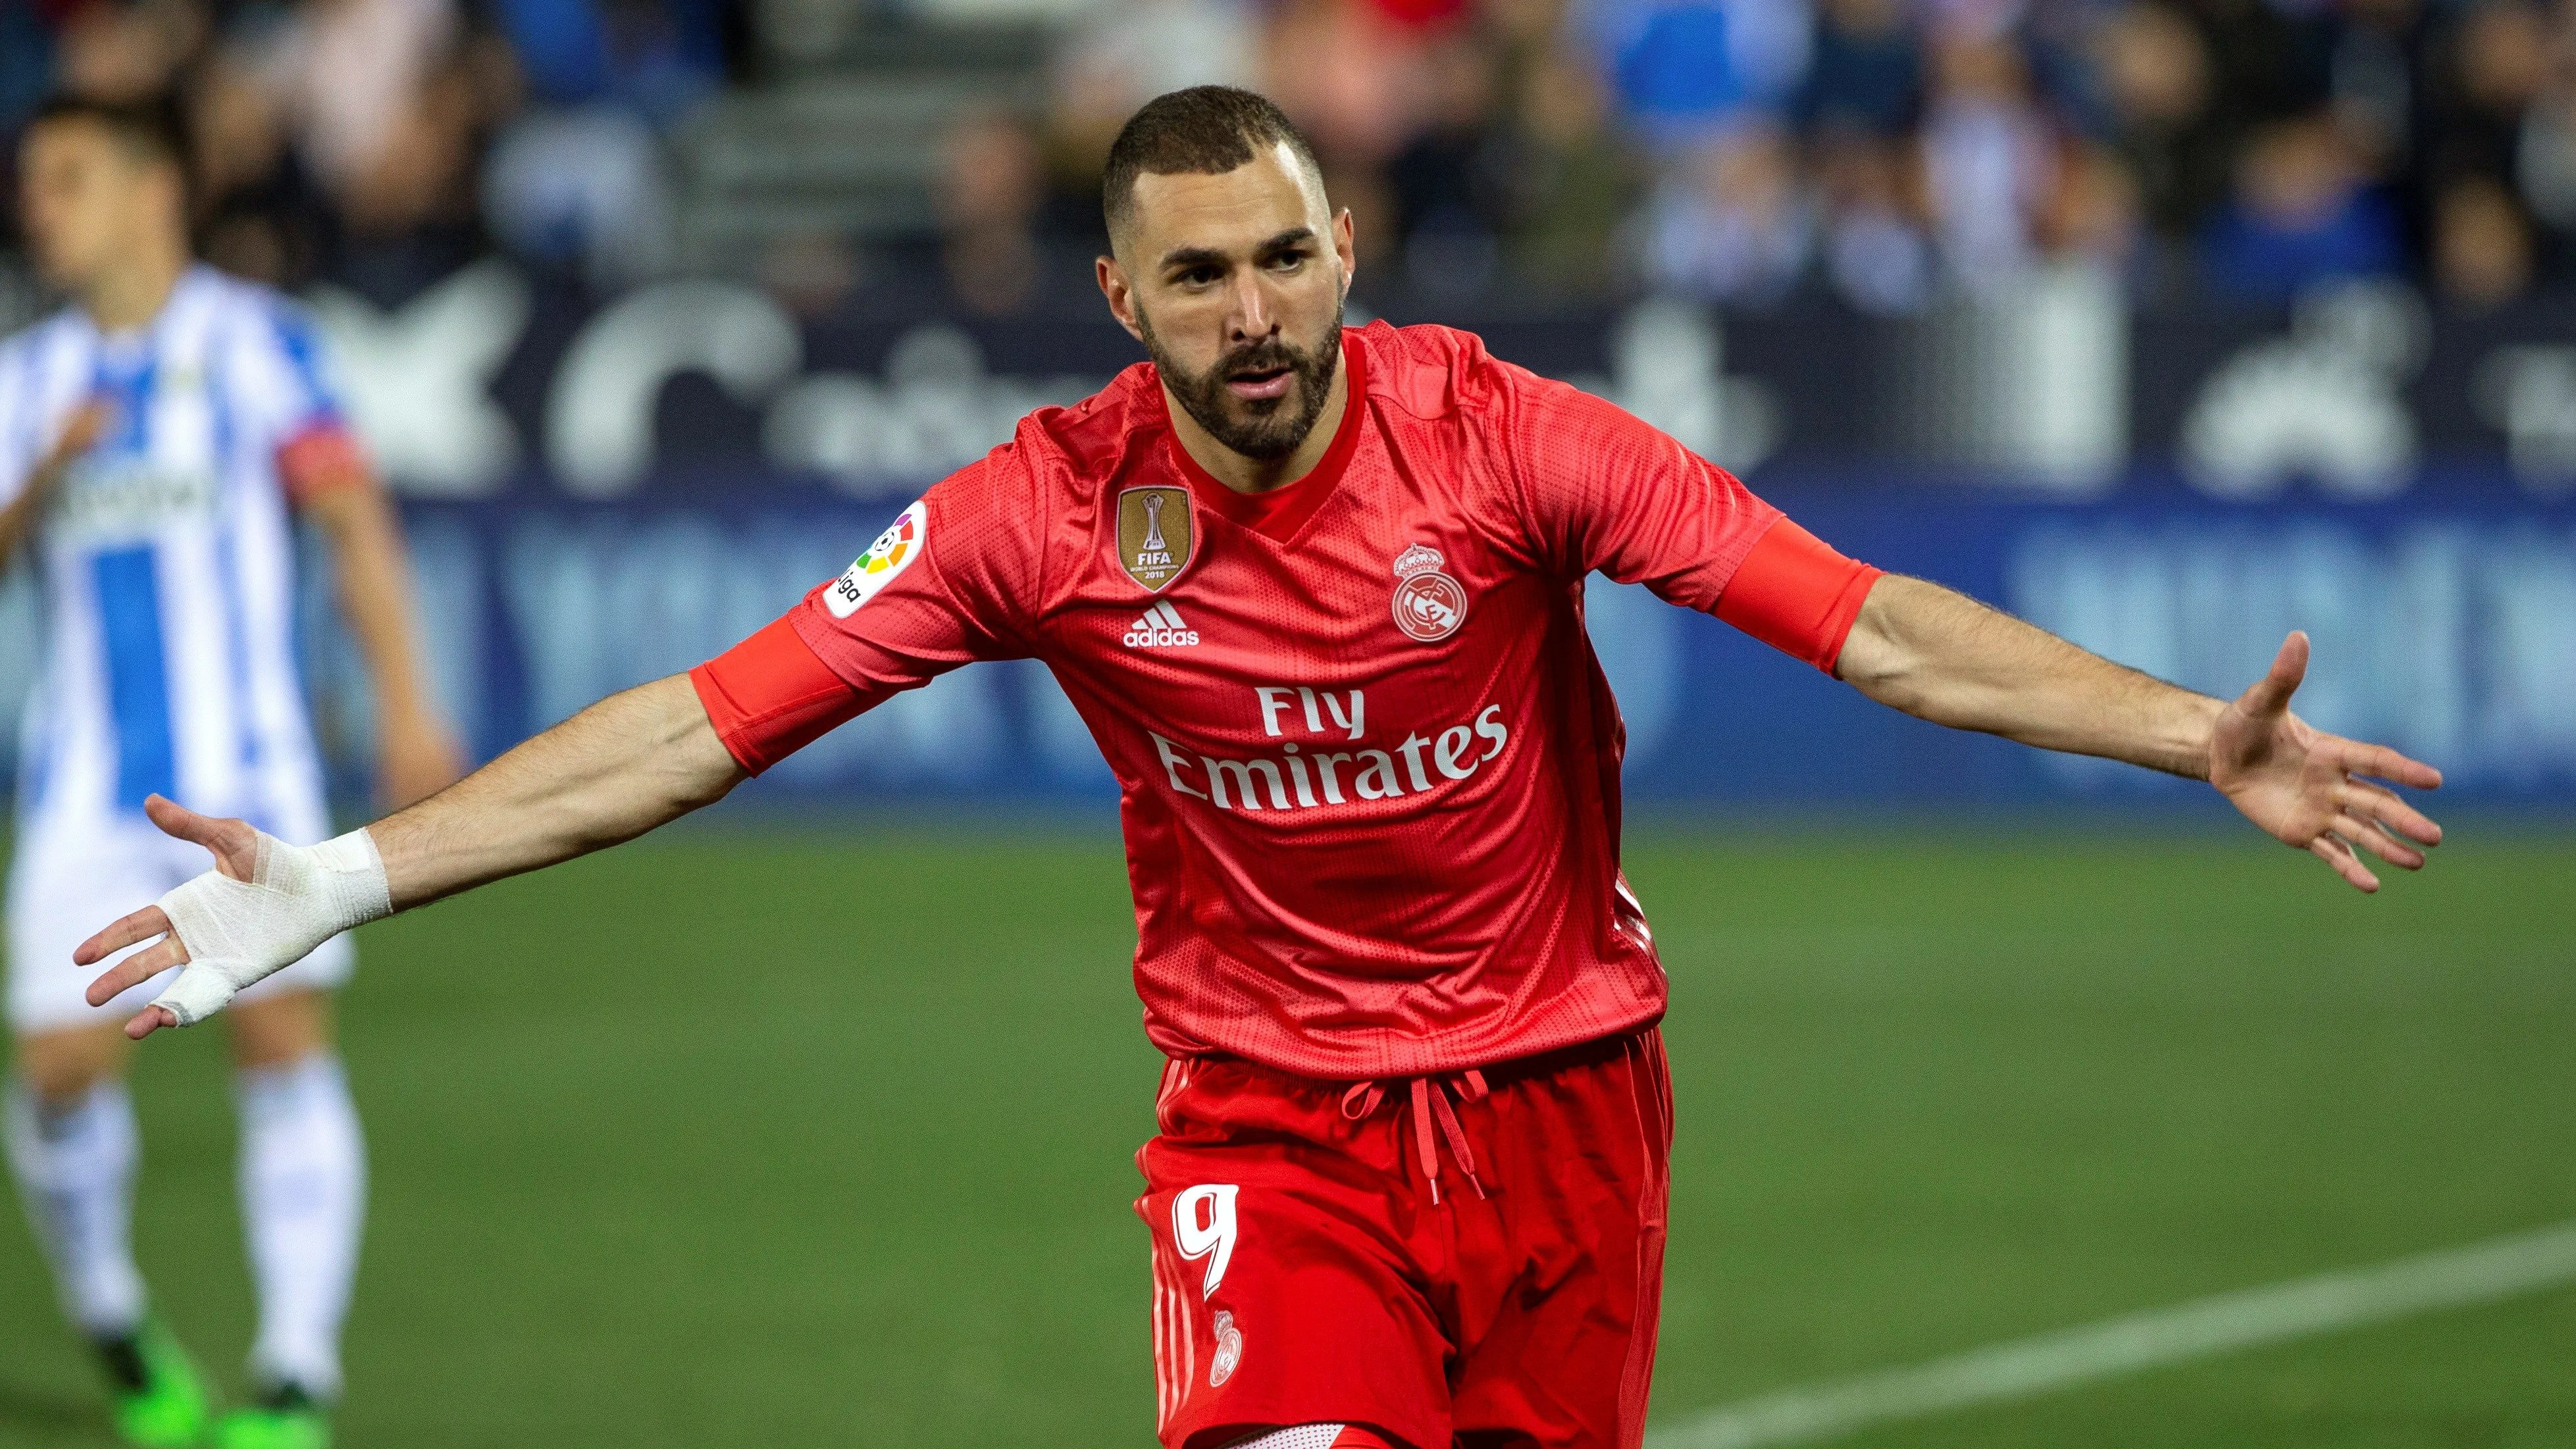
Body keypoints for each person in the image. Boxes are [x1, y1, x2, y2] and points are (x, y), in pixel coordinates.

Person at [78, 87, 2442, 1449]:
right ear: (1122, 299)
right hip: (1271, 1134)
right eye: (1196, 275)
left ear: (1344, 247)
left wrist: (2176, 733)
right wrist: (342, 880)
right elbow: (695, 731)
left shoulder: (1500, 438)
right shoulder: (1034, 513)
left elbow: (1873, 626)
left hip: (1564, 1109)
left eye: (1283, 259)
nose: (1251, 313)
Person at [0, 95, 463, 1449]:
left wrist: (406, 703)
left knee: (280, 1042)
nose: (40, 205)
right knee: (59, 1072)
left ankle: (292, 1378)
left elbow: (350, 519)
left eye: (67, 177)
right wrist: (45, 474)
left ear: (154, 192)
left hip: (247, 772)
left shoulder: (258, 345)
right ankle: (114, 1320)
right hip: (82, 790)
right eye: (33, 183)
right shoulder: (28, 380)